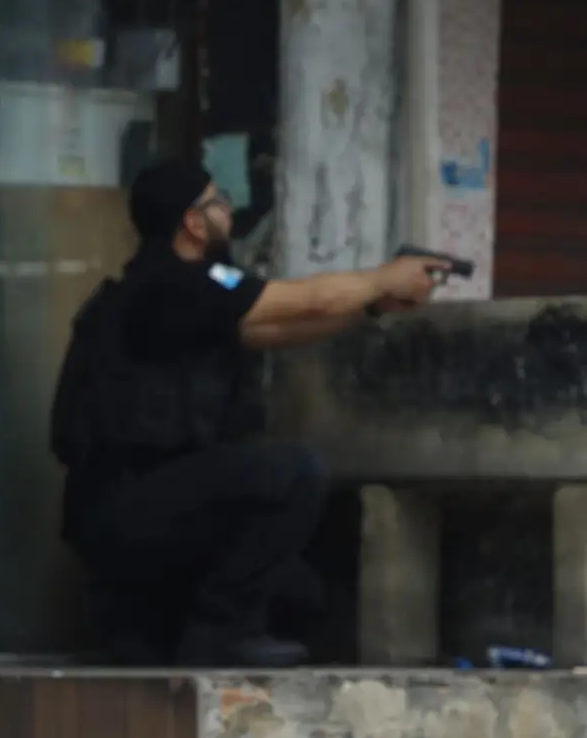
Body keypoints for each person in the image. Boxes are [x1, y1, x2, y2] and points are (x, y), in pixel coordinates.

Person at [49, 158, 451, 667]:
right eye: (217, 202)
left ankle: (160, 631)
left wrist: (372, 306)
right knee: (292, 474)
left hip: (146, 509)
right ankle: (216, 638)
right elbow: (307, 298)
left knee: (300, 592)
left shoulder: (177, 290)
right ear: (192, 223)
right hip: (127, 507)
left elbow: (276, 330)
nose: (229, 212)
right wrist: (382, 278)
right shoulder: (175, 285)